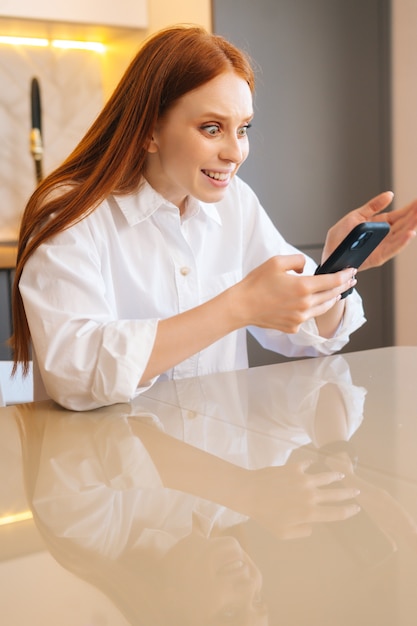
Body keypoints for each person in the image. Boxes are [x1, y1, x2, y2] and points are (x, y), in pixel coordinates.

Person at [11, 25, 417, 411]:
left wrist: (336, 271)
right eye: (211, 128)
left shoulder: (234, 202)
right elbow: (73, 373)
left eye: (242, 129)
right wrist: (236, 307)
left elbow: (310, 337)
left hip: (218, 465)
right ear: (149, 131)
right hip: (104, 472)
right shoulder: (70, 214)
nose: (235, 152)